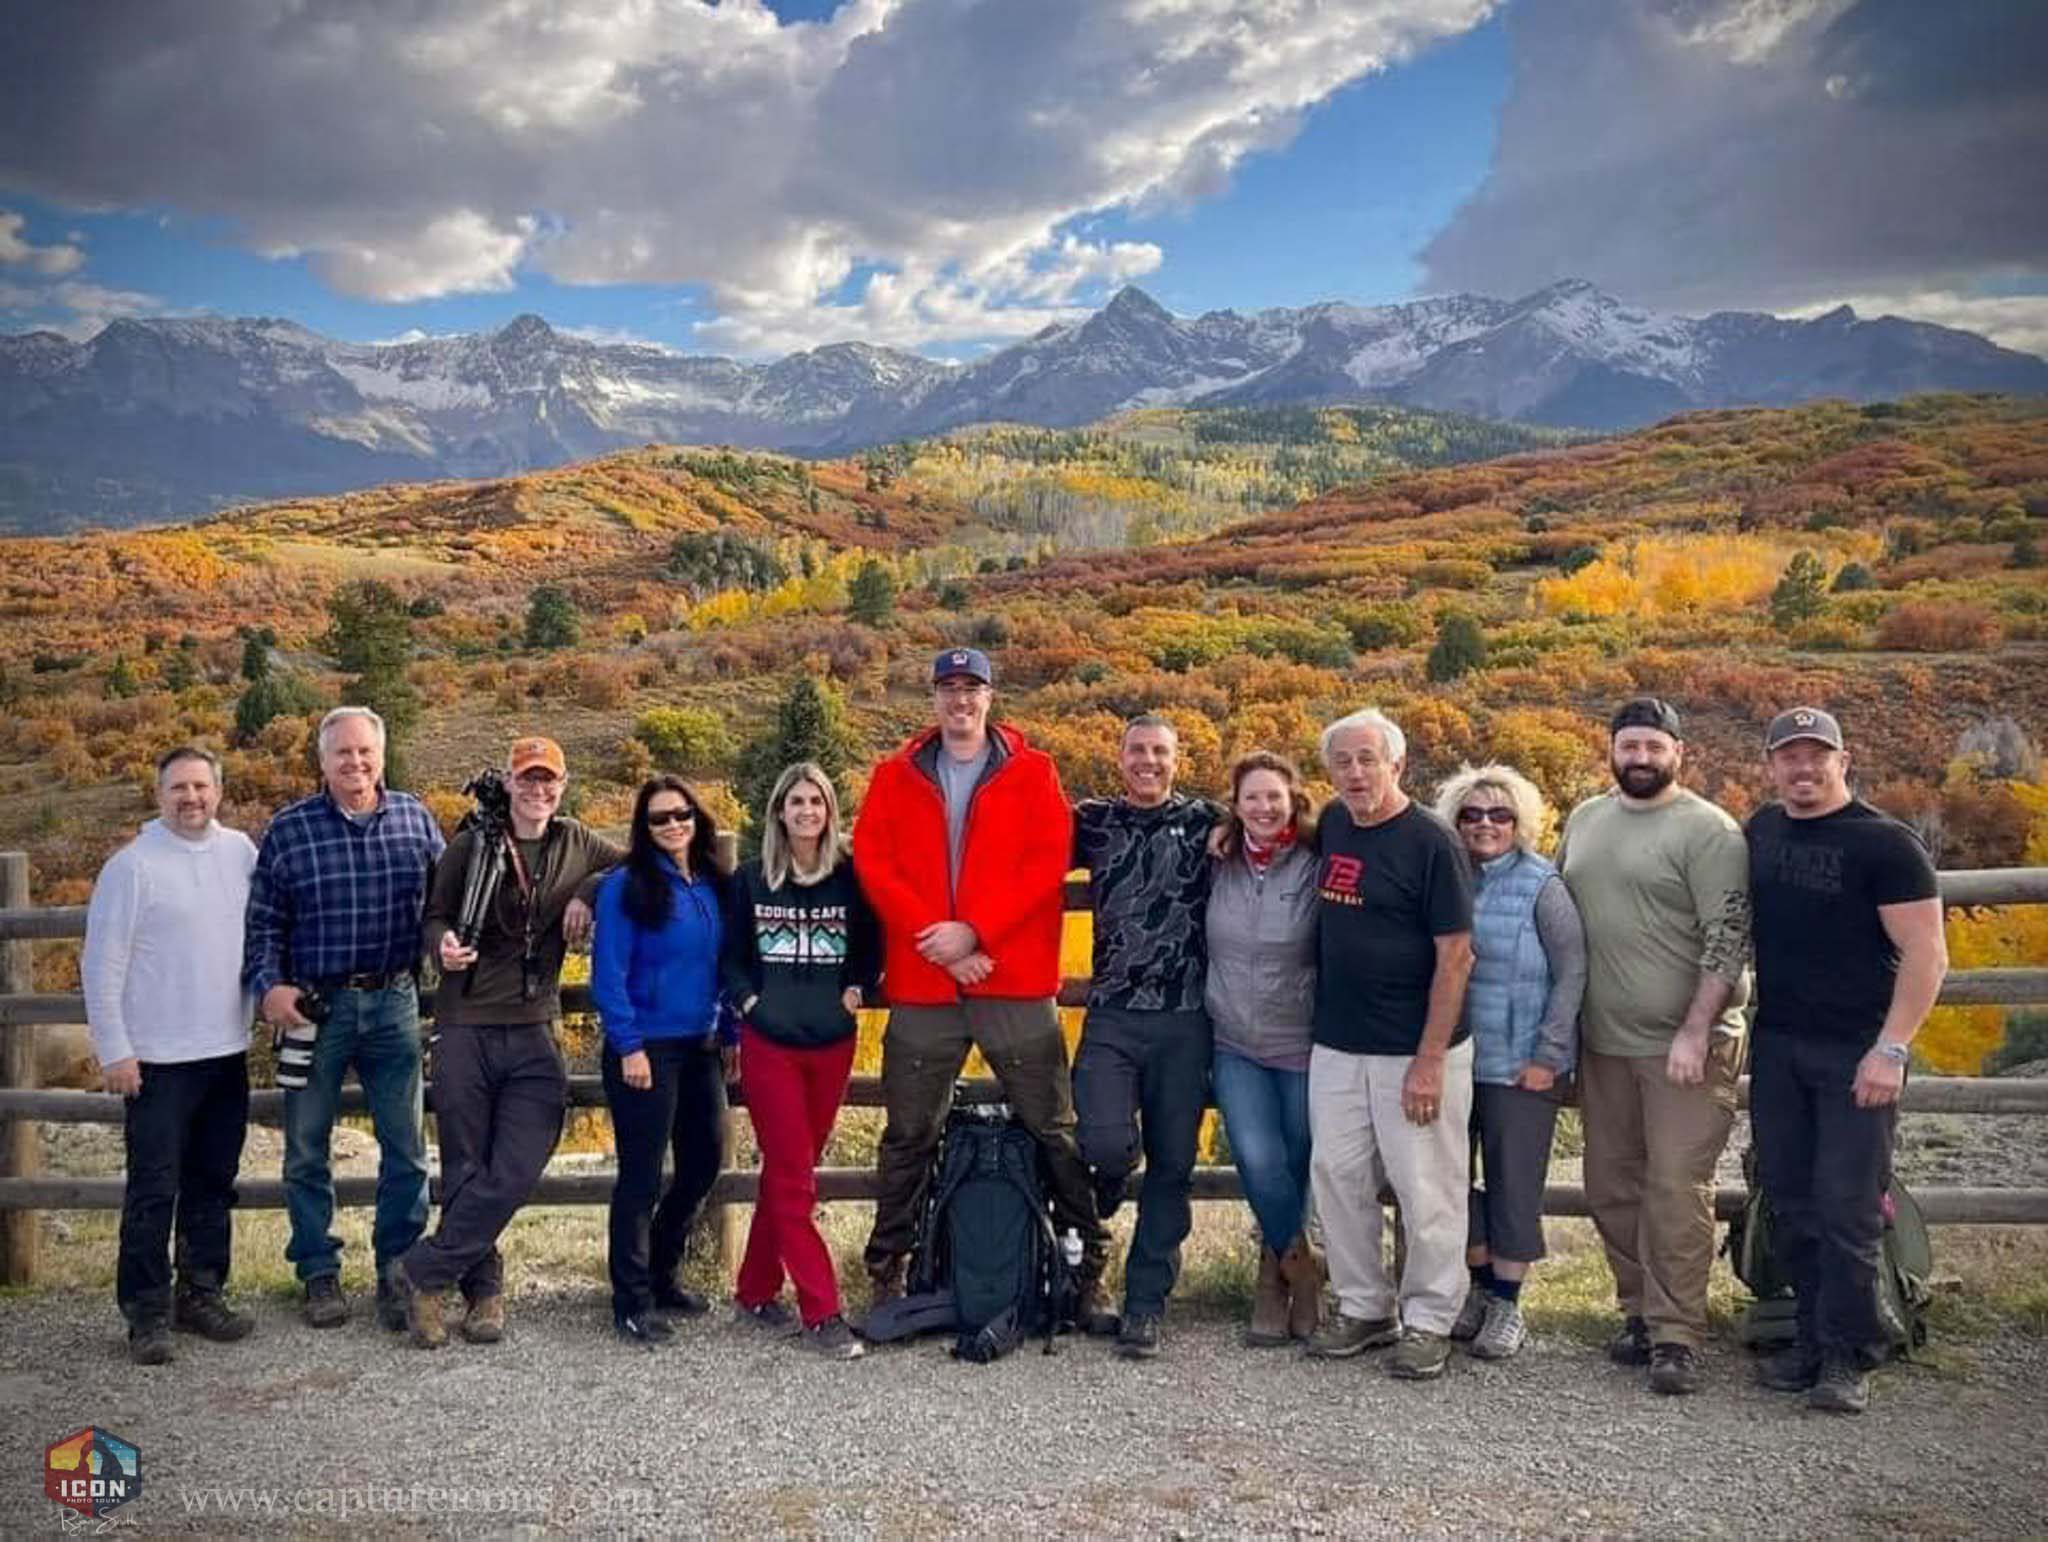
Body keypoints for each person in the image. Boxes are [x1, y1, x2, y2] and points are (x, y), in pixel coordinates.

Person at [854, 647, 1109, 1322]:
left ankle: (1087, 1267)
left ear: (991, 697)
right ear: (932, 697)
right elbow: (875, 863)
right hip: (924, 980)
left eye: (972, 688)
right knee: (909, 1131)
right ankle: (890, 1271)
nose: (960, 700)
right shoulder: (894, 774)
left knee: (1053, 1128)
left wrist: (975, 933)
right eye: (948, 688)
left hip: (1012, 980)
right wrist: (941, 939)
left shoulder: (1034, 772)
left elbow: (1046, 861)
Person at [1746, 707, 1946, 1414]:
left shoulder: (1886, 844)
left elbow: (1928, 954)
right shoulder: (1761, 831)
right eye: (1789, 757)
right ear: (1771, 765)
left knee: (1849, 1206)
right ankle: (1808, 1337)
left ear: (1844, 760)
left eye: (1816, 756)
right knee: (1791, 1199)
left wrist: (1891, 1049)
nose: (1803, 769)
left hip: (1857, 1051)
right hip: (1778, 1046)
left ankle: (1850, 1354)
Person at [395, 737, 622, 1350]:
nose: (539, 791)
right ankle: (481, 1292)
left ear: (564, 785)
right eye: (528, 780)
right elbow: (433, 915)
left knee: (520, 1159)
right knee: (468, 1164)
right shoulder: (471, 843)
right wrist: (442, 945)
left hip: (532, 1023)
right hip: (465, 1021)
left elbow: (637, 862)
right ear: (511, 783)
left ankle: (422, 1269)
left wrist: (588, 892)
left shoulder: (577, 842)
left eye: (549, 781)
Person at [1558, 697, 1750, 1396]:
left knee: (1674, 1188)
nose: (1640, 758)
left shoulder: (1709, 831)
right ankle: (1637, 1312)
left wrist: (1695, 1030)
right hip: (1603, 1043)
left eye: (1653, 747)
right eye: (1629, 746)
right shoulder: (1585, 820)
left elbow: (1727, 939)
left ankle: (1678, 1334)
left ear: (1678, 753)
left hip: (1687, 1049)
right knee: (1610, 1186)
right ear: (1612, 750)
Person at [244, 706, 445, 1331]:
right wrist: (267, 986)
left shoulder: (415, 818)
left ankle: (397, 1269)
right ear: (322, 761)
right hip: (314, 1007)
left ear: (381, 755)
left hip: (394, 1001)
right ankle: (317, 1270)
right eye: (342, 754)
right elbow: (263, 923)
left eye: (365, 752)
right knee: (306, 1148)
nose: (355, 763)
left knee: (406, 1148)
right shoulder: (289, 829)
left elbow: (447, 904)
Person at [1305, 708, 1475, 1382]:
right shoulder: (1336, 824)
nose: (1355, 772)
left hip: (1415, 1048)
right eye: (1342, 761)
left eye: (1367, 759)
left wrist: (1430, 1060)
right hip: (1338, 1041)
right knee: (1339, 1177)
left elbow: (1456, 956)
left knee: (1425, 1185)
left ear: (1397, 764)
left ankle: (1430, 1318)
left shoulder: (1432, 842)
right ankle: (1365, 1306)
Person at [82, 747, 259, 1364]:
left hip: (224, 1049)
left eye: (201, 786)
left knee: (213, 1183)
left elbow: (259, 934)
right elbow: (101, 964)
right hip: (155, 1059)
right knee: (154, 1189)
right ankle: (146, 1311)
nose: (192, 798)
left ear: (218, 790)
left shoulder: (240, 852)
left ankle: (202, 1292)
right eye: (179, 788)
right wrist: (115, 1050)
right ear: (159, 796)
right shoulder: (131, 867)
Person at [1071, 714, 1221, 1359]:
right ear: (1120, 756)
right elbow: (1018, 845)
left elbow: (1279, 826)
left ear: (1177, 759)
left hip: (1186, 1017)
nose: (1148, 762)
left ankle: (1144, 1303)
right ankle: (1108, 1178)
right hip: (1112, 1010)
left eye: (1160, 752)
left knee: (1174, 1166)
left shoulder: (1209, 822)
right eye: (1138, 751)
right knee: (1101, 1140)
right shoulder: (1093, 821)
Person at [722, 762, 880, 1362]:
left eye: (816, 801)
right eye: (796, 802)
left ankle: (755, 1290)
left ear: (829, 811)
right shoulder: (750, 881)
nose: (807, 812)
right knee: (793, 1176)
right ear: (779, 813)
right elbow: (732, 959)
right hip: (771, 1045)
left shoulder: (850, 877)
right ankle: (823, 1311)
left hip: (832, 1042)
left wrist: (857, 988)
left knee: (791, 1170)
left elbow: (871, 945)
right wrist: (750, 1004)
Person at [1434, 763, 1585, 1363]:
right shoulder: (1443, 877)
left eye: (1500, 814)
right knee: (1445, 1181)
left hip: (1519, 1063)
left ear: (1521, 820)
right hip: (1448, 1059)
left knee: (1514, 1184)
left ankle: (1507, 1303)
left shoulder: (1542, 883)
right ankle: (1473, 1284)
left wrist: (1549, 1053)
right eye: (1472, 814)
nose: (1486, 825)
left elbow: (1572, 969)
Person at [591, 775, 735, 1345]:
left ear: (696, 818)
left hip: (701, 1045)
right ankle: (631, 1299)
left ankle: (662, 1271)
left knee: (704, 1163)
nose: (673, 825)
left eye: (681, 814)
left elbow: (725, 968)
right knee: (641, 1176)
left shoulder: (712, 886)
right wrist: (629, 1046)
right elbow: (609, 973)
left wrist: (731, 1031)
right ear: (643, 829)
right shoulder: (626, 887)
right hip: (645, 1048)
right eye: (659, 819)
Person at [1205, 750, 1322, 1348]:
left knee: (1297, 1163)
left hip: (1302, 1039)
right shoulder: (1216, 859)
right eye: (1251, 797)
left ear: (1292, 798)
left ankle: (1271, 1281)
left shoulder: (1315, 859)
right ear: (1235, 803)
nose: (1263, 807)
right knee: (1256, 1158)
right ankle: (1302, 1273)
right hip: (1234, 1041)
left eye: (1273, 796)